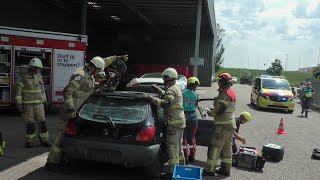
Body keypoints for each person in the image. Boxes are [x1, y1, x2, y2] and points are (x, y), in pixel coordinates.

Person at [45, 56, 105, 170]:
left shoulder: (89, 75)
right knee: (60, 138)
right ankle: (51, 163)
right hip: (69, 112)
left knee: (68, 138)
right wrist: (71, 108)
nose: (99, 72)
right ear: (96, 67)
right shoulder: (81, 75)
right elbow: (67, 92)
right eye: (99, 70)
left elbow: (86, 90)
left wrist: (100, 85)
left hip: (78, 112)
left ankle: (61, 160)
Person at [144, 67, 186, 177]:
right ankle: (181, 169)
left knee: (172, 147)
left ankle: (173, 172)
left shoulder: (171, 90)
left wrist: (151, 98)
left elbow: (166, 103)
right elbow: (167, 96)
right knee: (178, 147)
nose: (163, 80)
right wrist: (158, 90)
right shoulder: (175, 88)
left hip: (174, 123)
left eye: (164, 77)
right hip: (179, 122)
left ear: (168, 78)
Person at [203, 72, 237, 177]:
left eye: (219, 81)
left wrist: (211, 112)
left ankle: (210, 170)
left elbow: (220, 110)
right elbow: (225, 108)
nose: (218, 83)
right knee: (227, 148)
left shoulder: (224, 94)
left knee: (215, 147)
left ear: (223, 82)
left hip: (223, 125)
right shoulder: (231, 93)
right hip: (230, 125)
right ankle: (225, 169)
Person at [15, 58, 51, 148]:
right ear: (32, 67)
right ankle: (29, 141)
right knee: (30, 125)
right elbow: (18, 92)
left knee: (43, 124)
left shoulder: (39, 76)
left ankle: (45, 140)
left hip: (39, 105)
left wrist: (45, 101)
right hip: (28, 105)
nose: (39, 69)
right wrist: (19, 104)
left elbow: (42, 90)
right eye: (37, 68)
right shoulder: (23, 77)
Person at [182, 77, 200, 163]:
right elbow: (196, 104)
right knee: (192, 137)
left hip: (184, 116)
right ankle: (192, 156)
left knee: (184, 137)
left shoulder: (182, 93)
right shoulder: (196, 94)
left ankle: (186, 157)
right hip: (193, 116)